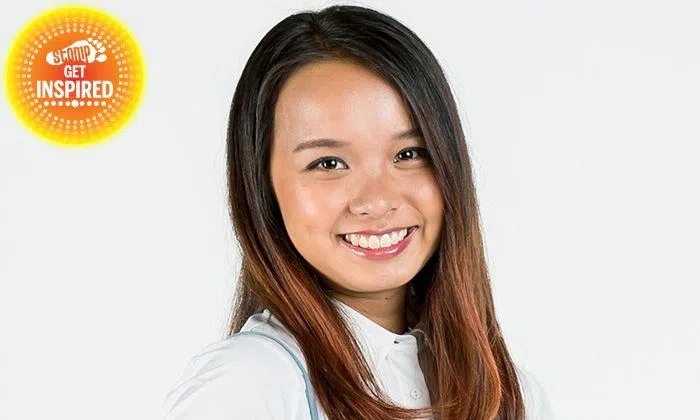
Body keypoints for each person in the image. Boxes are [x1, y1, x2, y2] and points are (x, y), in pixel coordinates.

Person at [163, 4, 554, 419]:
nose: (377, 201)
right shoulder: (249, 384)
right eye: (328, 163)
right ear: (262, 186)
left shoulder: (509, 394)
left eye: (408, 154)